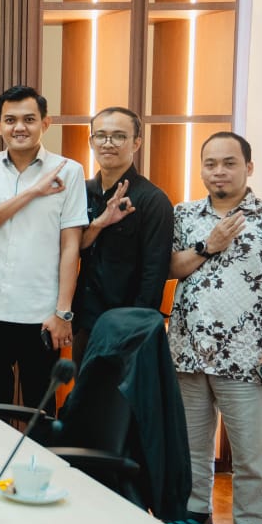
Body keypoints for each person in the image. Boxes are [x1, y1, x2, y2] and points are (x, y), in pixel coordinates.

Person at [166, 132, 262, 524]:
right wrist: (209, 244)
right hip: (188, 350)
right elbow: (169, 268)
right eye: (210, 163)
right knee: (191, 444)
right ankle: (196, 514)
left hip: (247, 356)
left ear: (249, 167)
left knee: (249, 451)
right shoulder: (184, 215)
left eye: (229, 163)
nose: (218, 171)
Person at [0, 86, 88, 409]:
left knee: (41, 409)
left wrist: (63, 312)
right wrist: (33, 192)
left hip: (41, 314)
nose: (19, 127)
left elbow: (70, 246)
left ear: (45, 124)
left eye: (29, 119)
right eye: (11, 120)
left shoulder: (69, 171)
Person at [73, 106, 173, 363]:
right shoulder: (80, 192)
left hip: (126, 326)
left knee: (120, 402)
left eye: (119, 136)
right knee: (85, 398)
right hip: (84, 320)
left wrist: (134, 328)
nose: (108, 143)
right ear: (91, 140)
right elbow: (69, 250)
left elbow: (155, 272)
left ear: (136, 142)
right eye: (101, 136)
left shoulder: (152, 200)